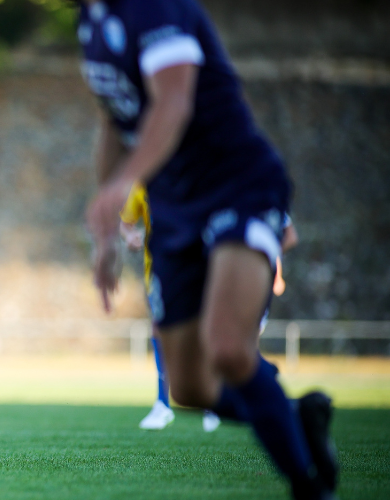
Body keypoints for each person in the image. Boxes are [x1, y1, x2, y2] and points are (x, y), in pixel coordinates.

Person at [77, 1, 337, 497]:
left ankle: (311, 486)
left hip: (237, 186)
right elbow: (115, 122)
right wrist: (107, 234)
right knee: (191, 388)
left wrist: (126, 181)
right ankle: (297, 420)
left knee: (228, 349)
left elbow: (174, 102)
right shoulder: (90, 20)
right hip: (174, 209)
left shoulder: (156, 9)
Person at [120, 184, 220, 432]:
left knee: (201, 329)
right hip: (158, 271)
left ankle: (211, 402)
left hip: (199, 266)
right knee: (160, 330)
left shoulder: (198, 175)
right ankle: (162, 405)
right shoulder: (142, 185)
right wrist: (130, 236)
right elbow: (125, 222)